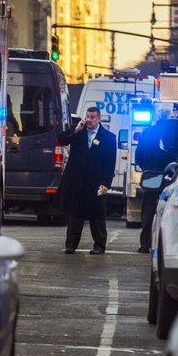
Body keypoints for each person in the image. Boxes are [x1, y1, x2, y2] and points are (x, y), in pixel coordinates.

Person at [56, 106, 117, 254]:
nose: (89, 120)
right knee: (75, 215)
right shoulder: (78, 133)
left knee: (97, 216)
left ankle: (99, 246)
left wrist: (106, 184)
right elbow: (61, 139)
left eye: (93, 117)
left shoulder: (108, 137)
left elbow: (110, 163)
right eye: (87, 117)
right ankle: (71, 245)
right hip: (77, 181)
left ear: (98, 119)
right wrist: (76, 130)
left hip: (96, 182)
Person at [136, 107, 178, 253]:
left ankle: (145, 244)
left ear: (158, 116)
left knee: (148, 210)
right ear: (170, 117)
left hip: (151, 176)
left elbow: (138, 155)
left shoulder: (147, 132)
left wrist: (147, 168)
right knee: (167, 210)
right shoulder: (173, 133)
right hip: (168, 177)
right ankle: (163, 244)